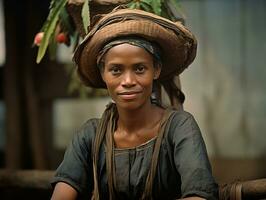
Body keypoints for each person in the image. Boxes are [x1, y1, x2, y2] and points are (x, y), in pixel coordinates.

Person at [50, 7, 218, 200]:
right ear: (103, 73)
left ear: (156, 70)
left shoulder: (179, 127)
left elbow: (199, 195)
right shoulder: (90, 136)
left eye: (140, 68)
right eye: (116, 70)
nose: (128, 81)